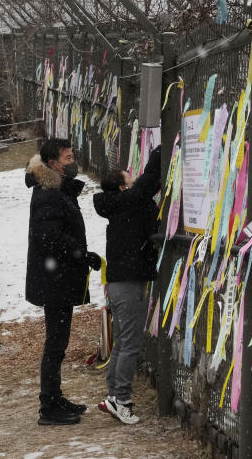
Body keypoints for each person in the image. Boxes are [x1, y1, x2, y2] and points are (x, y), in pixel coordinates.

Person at [25, 138, 103, 425]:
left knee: (58, 341)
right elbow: (50, 238)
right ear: (54, 163)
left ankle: (54, 397)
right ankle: (49, 406)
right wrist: (82, 255)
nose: (73, 161)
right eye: (68, 158)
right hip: (53, 280)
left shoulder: (57, 189)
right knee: (55, 343)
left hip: (58, 278)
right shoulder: (48, 194)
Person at [93, 145, 162, 425]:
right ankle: (121, 400)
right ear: (123, 188)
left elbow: (148, 186)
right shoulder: (128, 202)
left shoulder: (122, 205)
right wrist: (161, 150)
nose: (134, 179)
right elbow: (147, 183)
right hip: (128, 283)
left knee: (123, 342)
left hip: (120, 283)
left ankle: (114, 396)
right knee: (130, 344)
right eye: (129, 178)